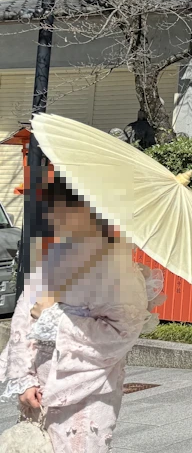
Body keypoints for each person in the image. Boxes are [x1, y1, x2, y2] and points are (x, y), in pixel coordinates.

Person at [0, 174, 163, 452]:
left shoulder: (116, 267)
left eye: (62, 208)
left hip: (86, 392)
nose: (52, 215)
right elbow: (23, 320)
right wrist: (24, 380)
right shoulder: (56, 255)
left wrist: (52, 317)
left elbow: (121, 331)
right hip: (38, 387)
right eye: (51, 207)